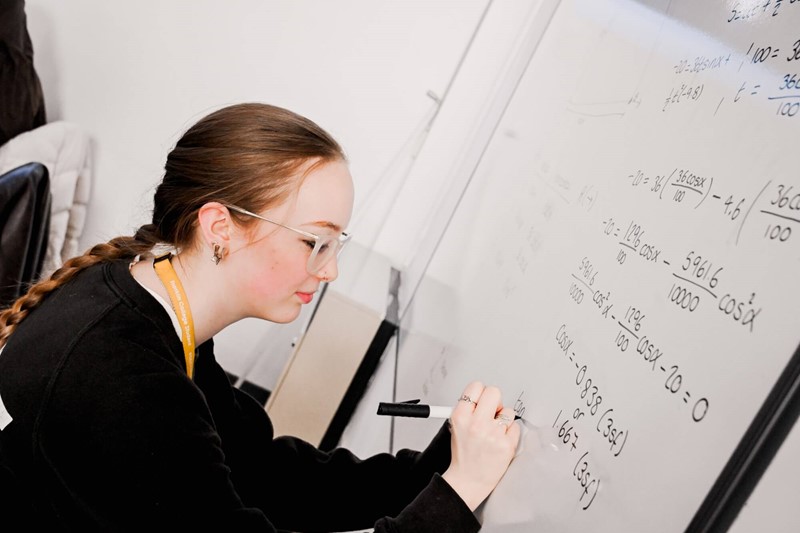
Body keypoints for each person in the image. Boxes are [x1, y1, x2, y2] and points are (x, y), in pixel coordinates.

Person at [0, 102, 521, 532]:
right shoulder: (125, 380)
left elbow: (261, 474)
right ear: (219, 227)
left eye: (336, 244)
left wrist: (439, 470)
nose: (330, 270)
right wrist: (457, 496)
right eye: (314, 243)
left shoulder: (161, 306)